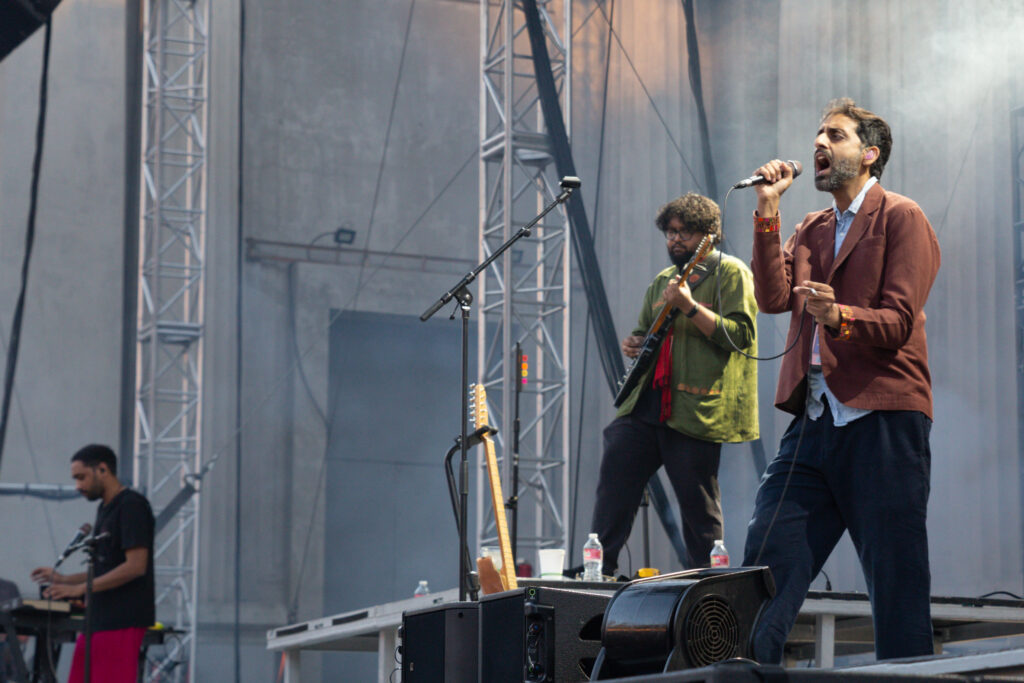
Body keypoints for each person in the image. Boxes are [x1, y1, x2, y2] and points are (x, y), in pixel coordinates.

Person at [742, 98, 941, 662]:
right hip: (815, 422)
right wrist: (766, 209)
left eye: (836, 134)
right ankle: (750, 672)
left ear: (870, 153)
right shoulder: (810, 226)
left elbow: (900, 320)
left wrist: (839, 317)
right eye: (817, 135)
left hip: (883, 419)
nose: (819, 143)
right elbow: (772, 297)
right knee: (767, 560)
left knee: (896, 577)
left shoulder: (901, 216)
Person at [590, 193, 759, 575]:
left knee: (698, 508)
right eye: (670, 232)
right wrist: (633, 343)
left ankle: (708, 584)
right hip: (647, 404)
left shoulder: (730, 273)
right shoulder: (663, 281)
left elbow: (741, 335)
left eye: (684, 232)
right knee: (615, 478)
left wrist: (690, 307)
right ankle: (597, 570)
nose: (675, 240)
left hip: (695, 408)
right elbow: (641, 334)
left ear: (710, 234)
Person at [30, 445, 155, 683]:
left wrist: (80, 589)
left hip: (122, 618)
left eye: (81, 477)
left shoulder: (131, 505)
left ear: (103, 469)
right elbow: (104, 567)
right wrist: (64, 579)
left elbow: (136, 566)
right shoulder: (105, 509)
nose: (77, 486)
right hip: (98, 618)